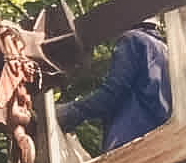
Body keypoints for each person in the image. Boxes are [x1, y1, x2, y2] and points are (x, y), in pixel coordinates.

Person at [55, 23, 171, 152]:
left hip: (130, 141)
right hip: (159, 145)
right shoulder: (166, 51)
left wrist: (70, 112)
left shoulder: (133, 39)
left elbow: (111, 94)